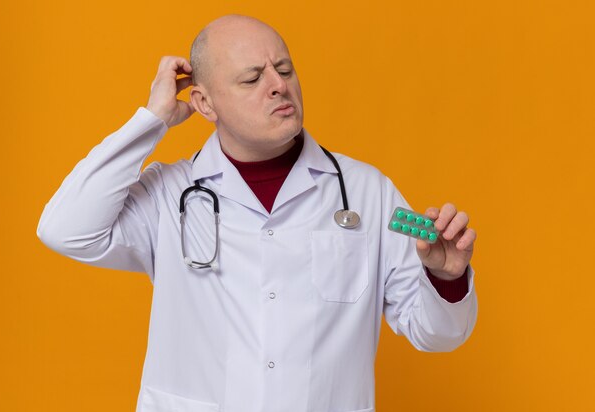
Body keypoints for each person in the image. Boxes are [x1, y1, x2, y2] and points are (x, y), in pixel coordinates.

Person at [37, 14, 478, 412]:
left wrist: (448, 279)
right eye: (251, 79)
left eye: (284, 69)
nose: (278, 85)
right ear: (205, 105)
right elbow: (65, 229)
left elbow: (437, 334)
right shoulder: (169, 193)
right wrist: (152, 120)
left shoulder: (366, 191)